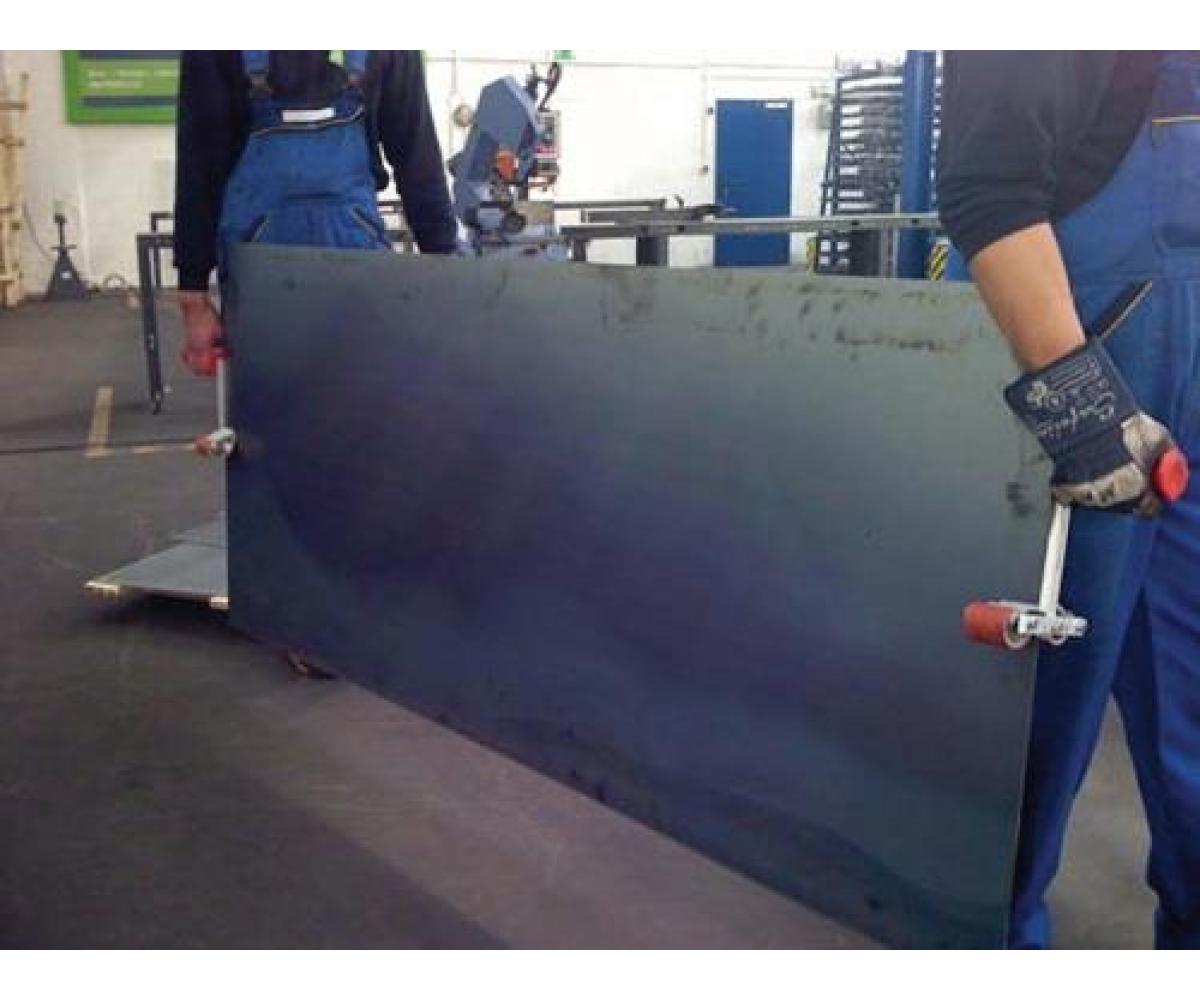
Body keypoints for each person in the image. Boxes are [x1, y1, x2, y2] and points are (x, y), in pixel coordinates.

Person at [938, 50, 1200, 948]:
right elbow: (989, 190)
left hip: (1190, 391)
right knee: (1022, 736)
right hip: (1082, 374)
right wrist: (1082, 412)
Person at [173, 50, 457, 373]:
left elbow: (199, 167)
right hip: (353, 280)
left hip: (259, 286)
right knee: (364, 393)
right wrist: (446, 262)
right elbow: (417, 156)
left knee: (268, 398)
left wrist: (193, 298)